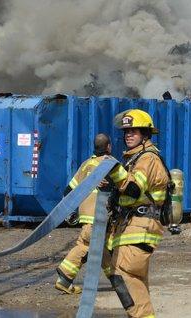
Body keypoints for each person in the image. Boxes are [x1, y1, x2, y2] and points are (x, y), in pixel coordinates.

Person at [107, 109, 170, 318]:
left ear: (145, 134)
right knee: (136, 282)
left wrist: (113, 170)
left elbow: (133, 191)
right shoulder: (134, 159)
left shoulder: (147, 159)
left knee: (123, 274)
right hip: (131, 225)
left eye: (133, 131)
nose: (128, 135)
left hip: (140, 227)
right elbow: (124, 193)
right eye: (126, 132)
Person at [55, 134, 128, 294]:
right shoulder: (111, 164)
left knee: (103, 249)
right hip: (100, 216)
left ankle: (117, 280)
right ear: (108, 146)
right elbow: (126, 187)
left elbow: (69, 190)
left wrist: (72, 211)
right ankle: (64, 276)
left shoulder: (86, 165)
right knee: (86, 246)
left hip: (87, 216)